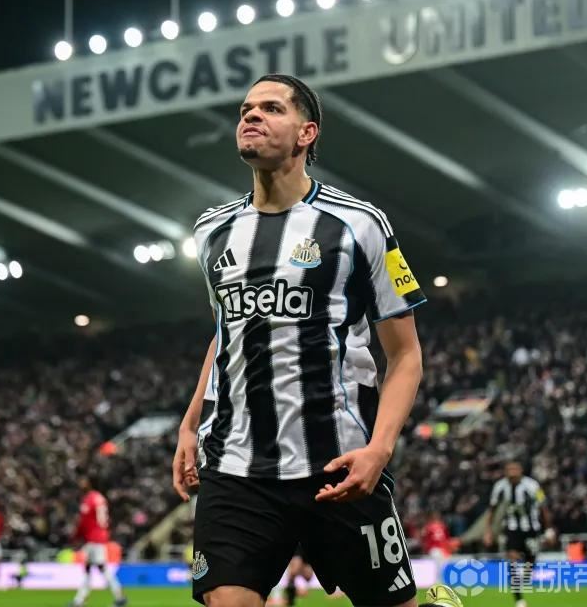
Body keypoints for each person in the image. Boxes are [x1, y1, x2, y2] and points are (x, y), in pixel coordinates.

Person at [171, 73, 463, 607]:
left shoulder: (359, 225)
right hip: (236, 468)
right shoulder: (212, 231)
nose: (251, 116)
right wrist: (191, 424)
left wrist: (379, 450)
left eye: (271, 108)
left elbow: (405, 355)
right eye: (246, 109)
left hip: (338, 464)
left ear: (306, 133)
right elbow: (225, 336)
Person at [483, 462, 555, 607]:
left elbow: (543, 508)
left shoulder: (532, 485)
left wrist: (549, 530)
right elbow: (492, 509)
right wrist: (488, 531)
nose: (512, 472)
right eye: (509, 469)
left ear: (521, 470)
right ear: (505, 471)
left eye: (515, 469)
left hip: (531, 529)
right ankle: (519, 600)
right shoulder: (500, 487)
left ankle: (525, 575)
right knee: (512, 559)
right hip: (511, 529)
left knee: (530, 564)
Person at [69, 476, 127, 607]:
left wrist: (76, 537)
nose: (80, 484)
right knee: (90, 568)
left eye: (83, 482)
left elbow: (83, 521)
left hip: (93, 538)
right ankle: (80, 600)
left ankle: (119, 597)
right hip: (100, 536)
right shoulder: (100, 498)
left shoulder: (89, 499)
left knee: (100, 568)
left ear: (90, 483)